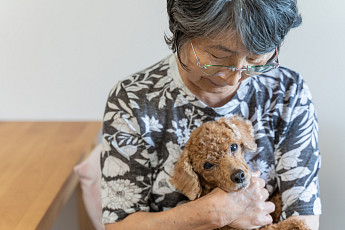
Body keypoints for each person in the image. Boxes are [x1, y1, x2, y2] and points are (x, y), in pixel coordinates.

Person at [100, 0, 321, 229]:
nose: (234, 79)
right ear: (181, 32)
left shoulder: (287, 92)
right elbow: (119, 224)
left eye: (255, 60)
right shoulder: (133, 100)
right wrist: (209, 214)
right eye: (218, 57)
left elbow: (303, 216)